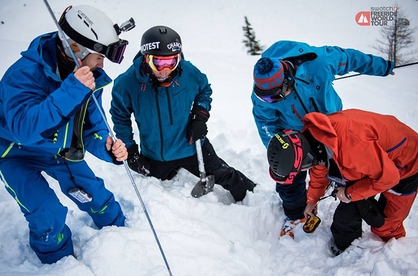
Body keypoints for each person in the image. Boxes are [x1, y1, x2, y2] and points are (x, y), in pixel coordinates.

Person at [0, 5, 135, 264]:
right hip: (11, 151)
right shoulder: (24, 74)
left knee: (95, 193)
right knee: (47, 211)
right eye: (100, 55)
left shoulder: (89, 76)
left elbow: (91, 126)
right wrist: (72, 91)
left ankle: (125, 234)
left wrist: (107, 146)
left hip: (57, 148)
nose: (103, 64)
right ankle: (58, 265)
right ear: (74, 48)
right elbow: (24, 129)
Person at [251, 40, 395, 237]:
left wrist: (383, 67)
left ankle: (350, 209)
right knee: (289, 179)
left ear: (288, 80)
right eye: (266, 98)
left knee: (342, 169)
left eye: (275, 96)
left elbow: (350, 58)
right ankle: (295, 214)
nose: (271, 101)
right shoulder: (262, 95)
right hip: (296, 136)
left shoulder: (320, 62)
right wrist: (285, 153)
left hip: (334, 128)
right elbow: (265, 124)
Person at [110, 25, 255, 202]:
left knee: (222, 173)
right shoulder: (127, 83)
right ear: (145, 58)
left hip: (192, 145)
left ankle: (255, 196)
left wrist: (199, 117)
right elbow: (120, 117)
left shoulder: (187, 72)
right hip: (156, 155)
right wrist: (131, 150)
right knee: (158, 194)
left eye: (171, 62)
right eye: (158, 62)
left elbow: (204, 91)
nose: (165, 70)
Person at [266, 109, 418, 255]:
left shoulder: (351, 148)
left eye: (300, 169)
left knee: (386, 226)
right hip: (374, 162)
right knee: (353, 207)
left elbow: (389, 178)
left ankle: (393, 255)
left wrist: (349, 193)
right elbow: (320, 171)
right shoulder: (315, 140)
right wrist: (312, 200)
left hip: (407, 164)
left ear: (306, 161)